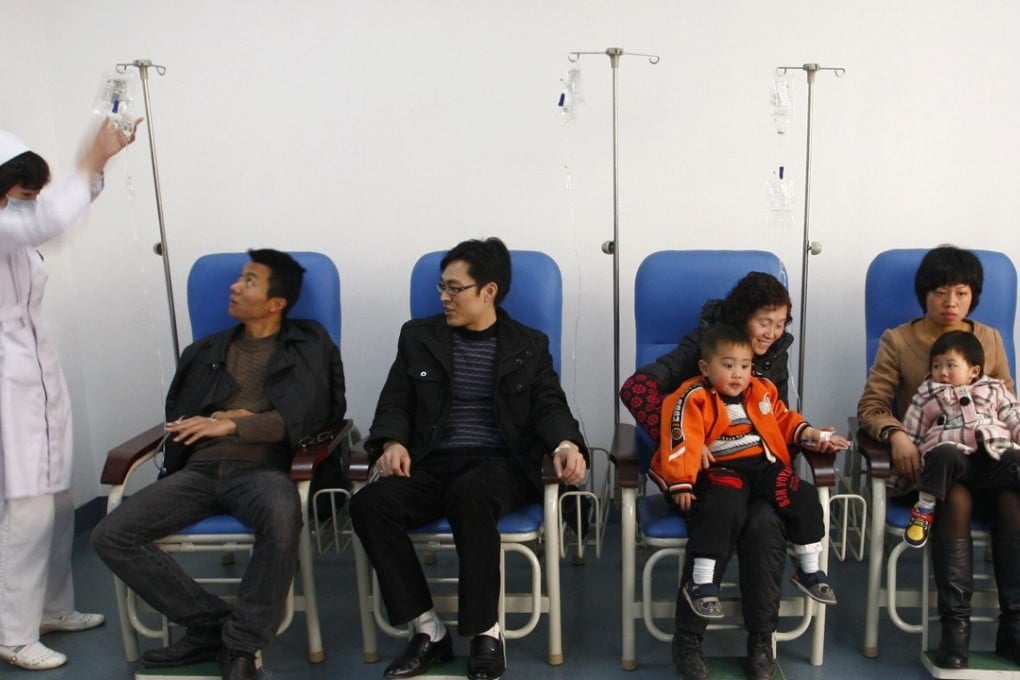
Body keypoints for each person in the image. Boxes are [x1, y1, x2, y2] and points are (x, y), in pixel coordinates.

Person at [91, 249, 346, 680]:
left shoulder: (309, 344)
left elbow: (310, 415)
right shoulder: (204, 351)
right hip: (199, 470)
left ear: (276, 303)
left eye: (249, 281)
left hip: (265, 469)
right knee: (111, 534)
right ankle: (211, 625)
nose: (234, 286)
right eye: (239, 278)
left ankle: (242, 645)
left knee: (282, 515)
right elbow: (182, 416)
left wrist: (233, 424)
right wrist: (220, 419)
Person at [350, 237, 588, 680]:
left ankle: (485, 632)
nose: (444, 297)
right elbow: (396, 401)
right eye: (442, 287)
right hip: (432, 461)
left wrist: (566, 444)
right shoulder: (418, 337)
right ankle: (428, 630)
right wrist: (392, 442)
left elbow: (548, 405)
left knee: (471, 496)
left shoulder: (527, 345)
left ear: (488, 291)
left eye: (454, 288)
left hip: (500, 463)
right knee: (369, 504)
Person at [0, 119, 138, 671]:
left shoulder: (16, 228)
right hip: (8, 386)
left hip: (36, 376)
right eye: (23, 193)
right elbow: (50, 220)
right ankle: (13, 632)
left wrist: (97, 170)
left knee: (57, 499)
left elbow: (55, 222)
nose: (30, 204)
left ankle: (53, 608)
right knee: (28, 508)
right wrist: (92, 156)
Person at [619, 271, 793, 680]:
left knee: (765, 522)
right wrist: (684, 440)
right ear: (742, 317)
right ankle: (689, 637)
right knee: (722, 511)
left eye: (780, 323)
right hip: (705, 475)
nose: (772, 333)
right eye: (763, 322)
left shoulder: (775, 354)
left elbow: (776, 417)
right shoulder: (706, 343)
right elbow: (636, 389)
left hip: (753, 471)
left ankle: (761, 637)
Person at [857, 245, 1019, 669]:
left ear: (974, 296)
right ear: (924, 294)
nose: (951, 303)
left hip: (991, 462)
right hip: (937, 467)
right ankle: (954, 631)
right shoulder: (898, 340)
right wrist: (897, 436)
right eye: (941, 292)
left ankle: (1014, 629)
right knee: (956, 499)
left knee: (1012, 502)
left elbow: (1007, 404)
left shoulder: (989, 339)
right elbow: (873, 406)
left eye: (961, 293)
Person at [652, 325, 847, 619]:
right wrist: (681, 482)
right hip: (722, 469)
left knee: (802, 494)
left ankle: (808, 569)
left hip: (761, 466)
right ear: (705, 368)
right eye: (728, 366)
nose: (737, 375)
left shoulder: (760, 390)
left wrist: (815, 434)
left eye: (744, 366)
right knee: (722, 506)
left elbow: (784, 420)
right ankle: (701, 582)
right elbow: (680, 437)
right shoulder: (694, 395)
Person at [900, 330, 1020, 549]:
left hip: (994, 457)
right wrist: (902, 477)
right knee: (941, 453)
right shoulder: (927, 395)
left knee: (1015, 458)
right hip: (955, 464)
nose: (942, 373)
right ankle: (924, 509)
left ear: (974, 371)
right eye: (936, 366)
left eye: (950, 365)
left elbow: (1013, 415)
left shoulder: (994, 389)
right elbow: (912, 433)